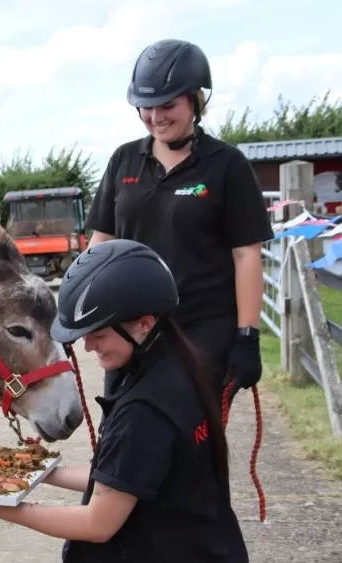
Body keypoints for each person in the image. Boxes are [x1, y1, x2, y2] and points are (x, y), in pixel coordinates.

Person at [0, 239, 249, 562]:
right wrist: (41, 470)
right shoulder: (179, 369)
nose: (88, 347)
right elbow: (124, 478)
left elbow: (97, 523)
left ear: (144, 323)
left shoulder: (145, 411)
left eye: (98, 334)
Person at [84, 38, 274, 404]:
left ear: (196, 99)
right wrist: (81, 306)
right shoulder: (123, 161)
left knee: (192, 447)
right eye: (145, 107)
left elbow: (246, 255)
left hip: (202, 332)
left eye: (168, 105)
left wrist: (247, 335)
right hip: (131, 332)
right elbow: (101, 242)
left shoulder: (227, 166)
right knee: (124, 440)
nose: (156, 117)